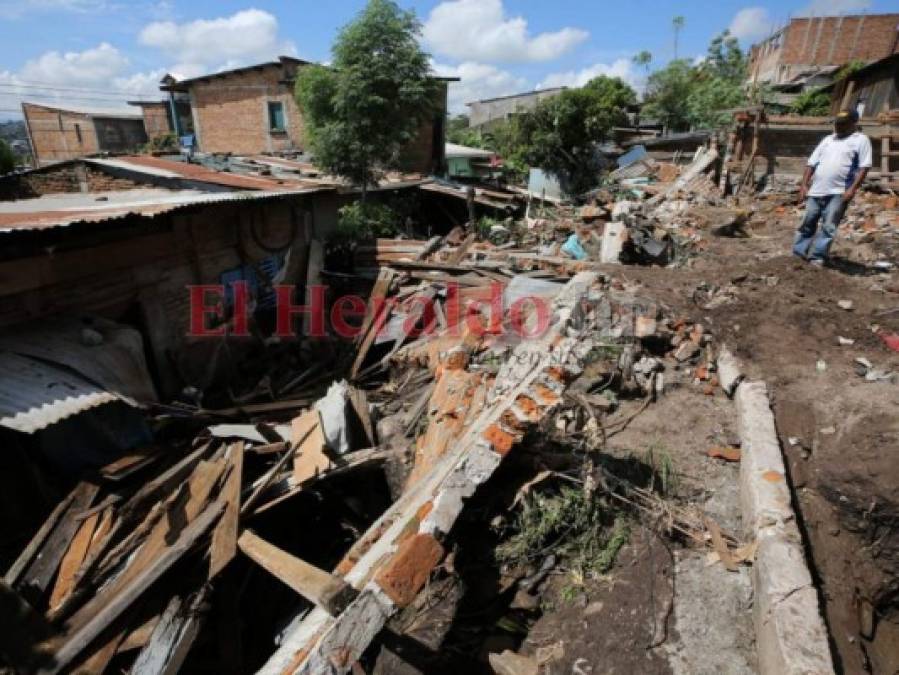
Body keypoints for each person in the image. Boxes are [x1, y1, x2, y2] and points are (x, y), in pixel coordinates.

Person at [793, 109, 872, 266]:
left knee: (829, 226)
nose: (839, 127)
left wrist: (852, 189)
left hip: (839, 192)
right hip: (816, 190)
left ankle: (817, 257)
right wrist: (804, 186)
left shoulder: (860, 140)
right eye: (837, 124)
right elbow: (811, 163)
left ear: (853, 124)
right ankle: (798, 253)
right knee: (807, 222)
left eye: (843, 124)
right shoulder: (828, 140)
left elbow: (864, 167)